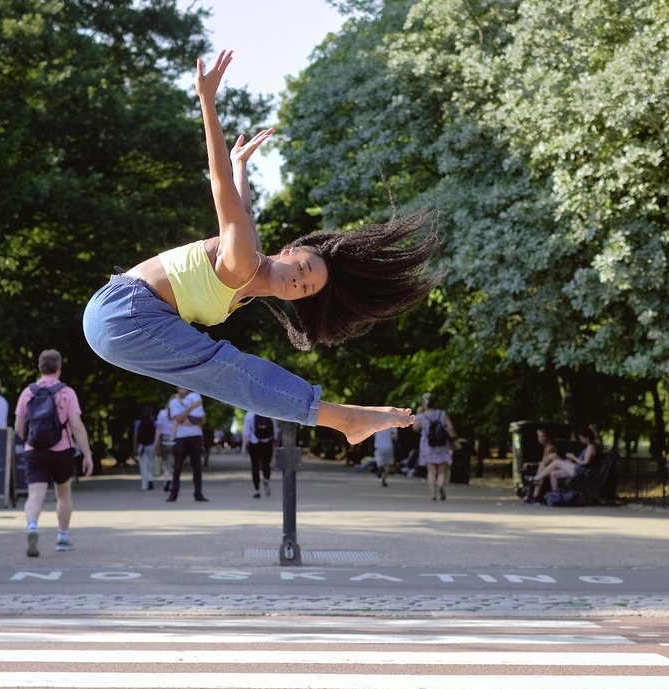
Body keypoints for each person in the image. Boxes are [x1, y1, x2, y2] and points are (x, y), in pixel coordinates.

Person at [82, 50, 439, 450]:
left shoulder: (249, 270)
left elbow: (244, 209)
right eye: (302, 269)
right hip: (124, 314)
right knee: (225, 368)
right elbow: (220, 188)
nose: (298, 282)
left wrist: (241, 166)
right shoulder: (242, 259)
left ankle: (343, 418)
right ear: (288, 251)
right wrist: (207, 102)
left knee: (220, 368)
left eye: (306, 288)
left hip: (122, 319)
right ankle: (345, 419)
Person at [15, 349, 92, 556]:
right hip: (61, 450)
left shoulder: (28, 392)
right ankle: (62, 538)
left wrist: (31, 442)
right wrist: (87, 454)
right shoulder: (67, 393)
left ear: (39, 368)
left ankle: (32, 526)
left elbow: (19, 427)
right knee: (63, 495)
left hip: (34, 451)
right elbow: (77, 426)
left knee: (35, 495)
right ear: (59, 368)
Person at [166, 387, 207, 502]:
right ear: (177, 389)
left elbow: (203, 420)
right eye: (180, 388)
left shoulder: (195, 398)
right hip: (181, 437)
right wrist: (190, 408)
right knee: (177, 466)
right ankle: (173, 493)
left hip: (196, 436)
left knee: (197, 466)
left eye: (184, 388)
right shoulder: (174, 402)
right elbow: (178, 418)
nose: (183, 390)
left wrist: (191, 421)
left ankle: (198, 493)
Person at [413, 392, 456, 501]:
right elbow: (450, 427)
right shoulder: (442, 413)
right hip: (442, 444)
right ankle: (440, 485)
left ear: (424, 404)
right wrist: (454, 440)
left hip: (428, 444)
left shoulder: (422, 416)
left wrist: (418, 414)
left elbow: (416, 428)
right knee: (442, 471)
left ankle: (433, 495)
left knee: (431, 472)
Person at [534, 426, 601, 493]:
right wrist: (571, 460)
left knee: (556, 462)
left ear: (586, 437)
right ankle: (556, 495)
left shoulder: (590, 447)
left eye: (581, 438)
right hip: (578, 469)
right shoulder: (587, 447)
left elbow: (585, 462)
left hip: (582, 471)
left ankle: (536, 478)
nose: (581, 440)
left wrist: (573, 457)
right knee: (553, 474)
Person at [242, 411, 278, 498]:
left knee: (255, 466)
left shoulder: (249, 414)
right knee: (266, 464)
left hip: (254, 444)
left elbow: (246, 432)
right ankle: (266, 478)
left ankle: (256, 490)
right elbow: (275, 432)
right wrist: (275, 444)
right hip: (267, 444)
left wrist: (244, 447)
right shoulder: (270, 412)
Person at [523, 427, 561, 503]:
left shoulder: (550, 448)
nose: (539, 439)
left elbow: (546, 462)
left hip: (552, 469)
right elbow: (544, 462)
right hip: (548, 468)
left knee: (541, 468)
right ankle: (534, 495)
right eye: (538, 436)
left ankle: (535, 495)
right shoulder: (546, 448)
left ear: (547, 436)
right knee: (541, 468)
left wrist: (532, 465)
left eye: (542, 436)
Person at [133, 404, 158, 490]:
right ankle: (150, 478)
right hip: (151, 446)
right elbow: (156, 435)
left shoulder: (138, 423)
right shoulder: (154, 423)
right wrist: (157, 446)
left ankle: (145, 483)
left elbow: (136, 436)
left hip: (142, 446)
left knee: (143, 465)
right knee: (150, 464)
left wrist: (135, 447)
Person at [155, 399, 176, 492]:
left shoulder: (162, 413)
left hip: (164, 439)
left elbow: (158, 429)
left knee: (165, 462)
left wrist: (156, 442)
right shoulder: (178, 413)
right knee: (173, 462)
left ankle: (167, 478)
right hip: (175, 439)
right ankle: (171, 478)